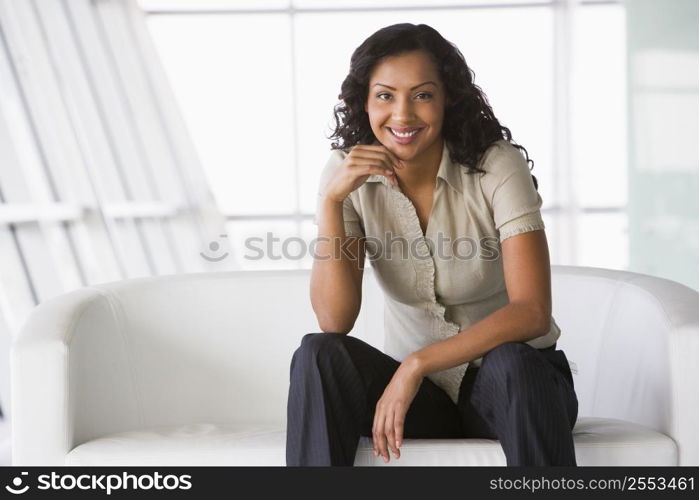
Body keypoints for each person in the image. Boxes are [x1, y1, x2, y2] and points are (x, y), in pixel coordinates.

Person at [286, 23, 578, 467]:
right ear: (364, 101)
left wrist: (417, 363)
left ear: (447, 100)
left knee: (512, 363)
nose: (402, 115)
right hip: (423, 402)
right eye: (385, 95)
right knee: (318, 355)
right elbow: (334, 319)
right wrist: (331, 201)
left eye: (422, 95)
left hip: (517, 388)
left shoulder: (496, 166)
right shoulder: (346, 173)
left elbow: (532, 312)